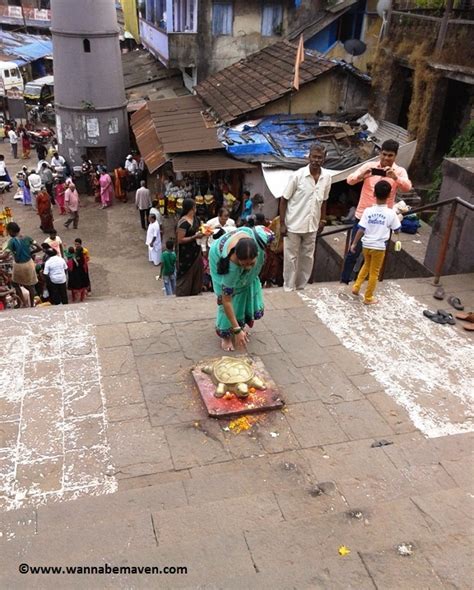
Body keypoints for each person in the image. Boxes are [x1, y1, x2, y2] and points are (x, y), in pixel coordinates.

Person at [341, 139, 412, 284]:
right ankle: (344, 281)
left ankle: (359, 282)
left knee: (372, 256)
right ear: (380, 153)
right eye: (384, 154)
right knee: (353, 251)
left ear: (395, 156)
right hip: (362, 217)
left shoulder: (399, 171)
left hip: (382, 222)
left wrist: (395, 178)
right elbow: (349, 180)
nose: (386, 158)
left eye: (390, 155)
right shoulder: (369, 166)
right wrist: (362, 176)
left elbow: (407, 187)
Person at [209, 225, 274, 351]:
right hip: (219, 258)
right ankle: (226, 336)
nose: (249, 268)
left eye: (252, 263)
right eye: (244, 264)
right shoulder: (231, 267)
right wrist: (237, 330)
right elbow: (226, 300)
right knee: (230, 296)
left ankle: (239, 323)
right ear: (237, 259)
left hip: (243, 253)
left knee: (244, 289)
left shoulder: (257, 240)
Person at [279, 143, 331, 291]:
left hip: (312, 225)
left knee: (307, 257)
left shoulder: (327, 177)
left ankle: (301, 286)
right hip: (293, 225)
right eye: (314, 156)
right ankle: (288, 287)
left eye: (319, 157)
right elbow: (284, 200)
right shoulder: (297, 176)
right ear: (309, 157)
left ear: (324, 159)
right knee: (291, 257)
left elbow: (324, 200)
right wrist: (282, 224)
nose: (316, 160)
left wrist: (322, 219)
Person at [350, 180, 401, 304]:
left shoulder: (368, 211)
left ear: (374, 194)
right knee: (374, 273)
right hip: (379, 247)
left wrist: (354, 243)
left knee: (366, 264)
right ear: (389, 195)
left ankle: (356, 286)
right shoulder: (391, 213)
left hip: (366, 244)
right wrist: (399, 219)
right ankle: (368, 297)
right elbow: (397, 230)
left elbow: (361, 228)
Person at [0, 222, 41, 306]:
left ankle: (23, 302)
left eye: (8, 231)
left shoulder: (12, 241)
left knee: (15, 283)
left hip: (20, 265)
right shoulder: (27, 238)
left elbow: (4, 256)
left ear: (11, 231)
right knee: (30, 286)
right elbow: (39, 247)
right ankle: (32, 304)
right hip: (29, 264)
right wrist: (31, 252)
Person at [176, 198, 203, 297]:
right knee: (186, 274)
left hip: (196, 250)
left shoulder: (197, 220)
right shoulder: (183, 222)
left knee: (197, 272)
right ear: (192, 208)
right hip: (186, 254)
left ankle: (195, 291)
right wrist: (194, 237)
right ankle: (183, 292)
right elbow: (180, 240)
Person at [260, 215, 284, 287]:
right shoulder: (277, 220)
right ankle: (268, 282)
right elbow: (269, 231)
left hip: (284, 249)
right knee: (269, 266)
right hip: (273, 248)